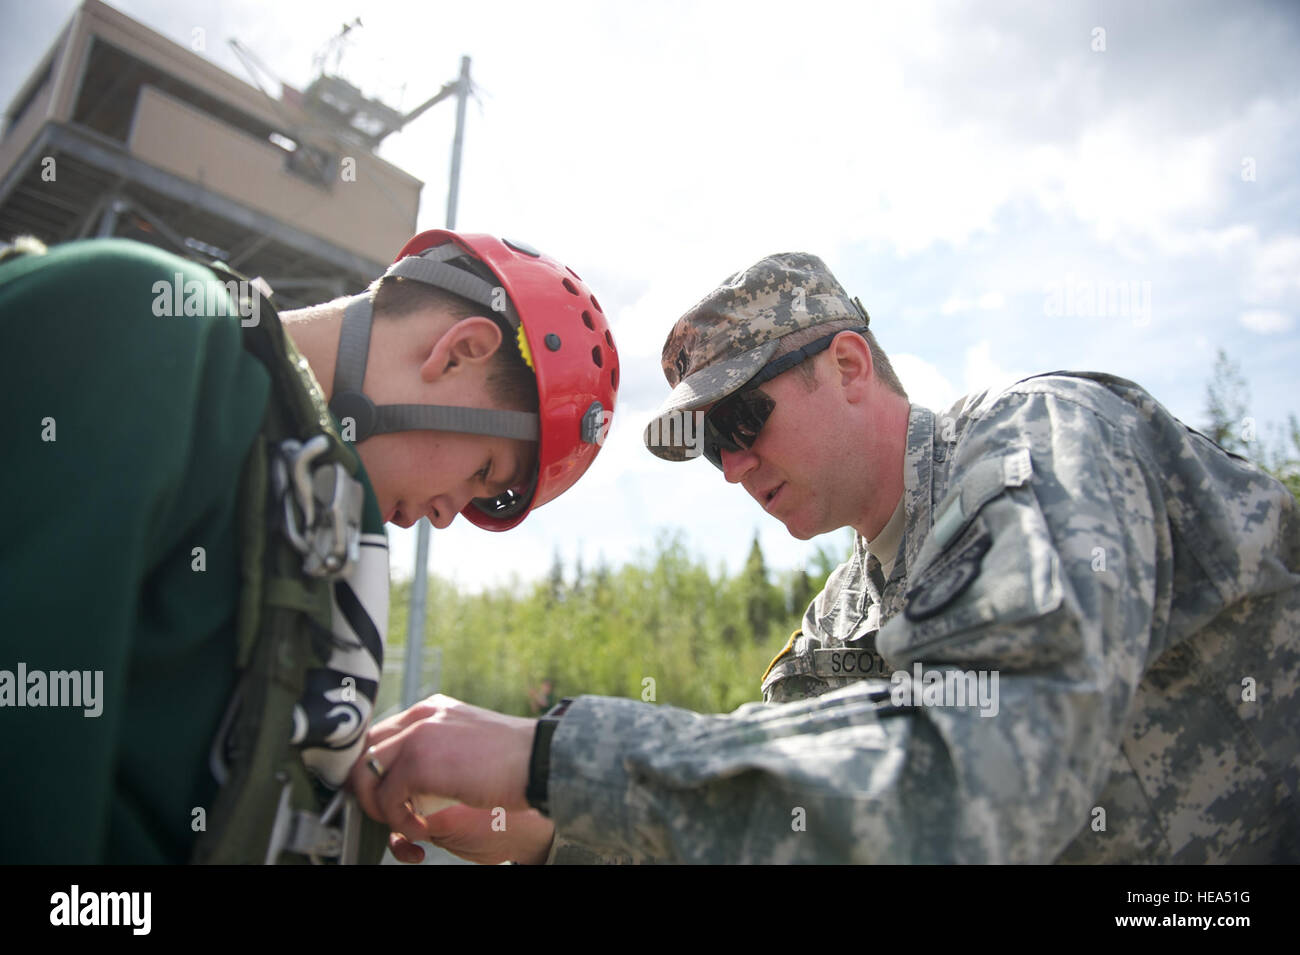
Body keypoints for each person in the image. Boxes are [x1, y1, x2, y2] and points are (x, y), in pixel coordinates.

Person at [350, 251, 1299, 865]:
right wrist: (554, 826)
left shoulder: (1041, 442)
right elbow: (782, 811)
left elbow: (995, 782)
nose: (732, 466)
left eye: (743, 419)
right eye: (711, 445)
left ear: (849, 367)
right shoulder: (844, 620)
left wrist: (551, 756)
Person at [0, 229, 618, 863]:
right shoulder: (145, 324)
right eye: (483, 473)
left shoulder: (319, 517)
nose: (446, 514)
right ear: (459, 352)